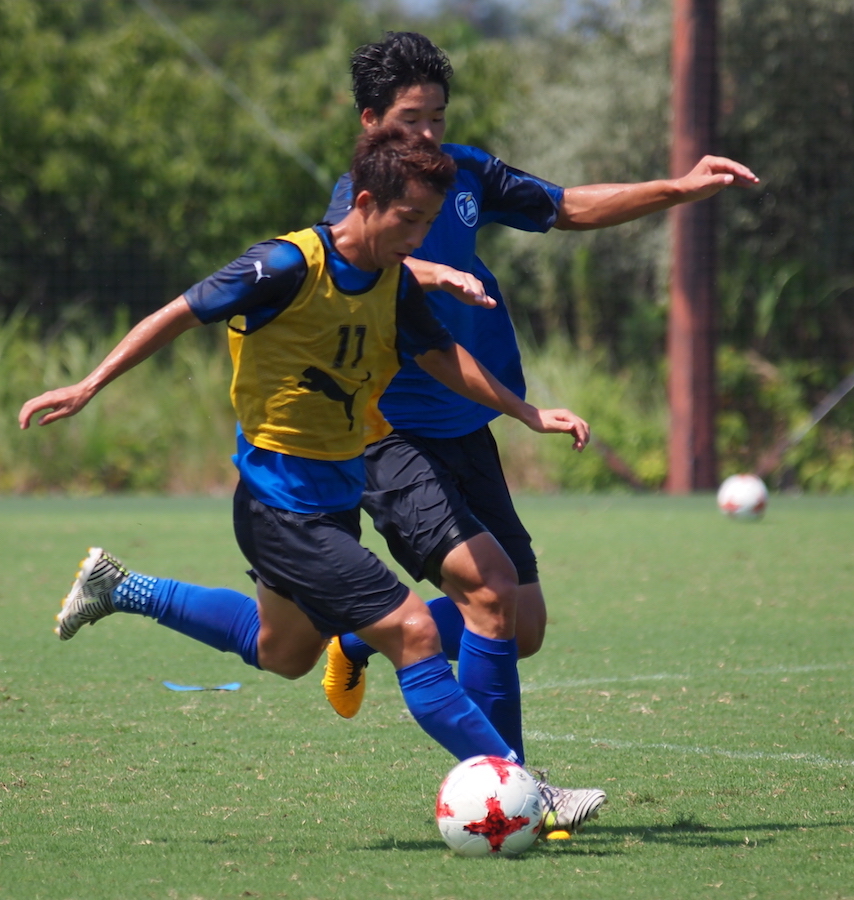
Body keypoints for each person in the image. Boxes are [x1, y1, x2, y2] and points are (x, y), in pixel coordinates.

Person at [17, 126, 604, 828]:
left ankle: (122, 586)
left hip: (332, 499)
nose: (419, 238)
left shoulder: (391, 280)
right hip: (277, 506)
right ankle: (530, 792)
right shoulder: (283, 266)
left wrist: (528, 411)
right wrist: (89, 384)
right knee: (415, 630)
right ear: (365, 201)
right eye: (410, 219)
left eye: (427, 222)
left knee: (285, 651)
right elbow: (178, 313)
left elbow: (442, 355)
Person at [313, 32, 759, 736]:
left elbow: (566, 206)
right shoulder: (358, 194)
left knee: (523, 624)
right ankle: (506, 783)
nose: (428, 135)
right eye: (410, 120)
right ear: (370, 123)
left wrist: (678, 187)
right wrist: (432, 274)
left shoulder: (464, 173)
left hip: (464, 421)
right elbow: (351, 255)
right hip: (388, 433)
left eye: (438, 118)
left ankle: (360, 640)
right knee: (489, 595)